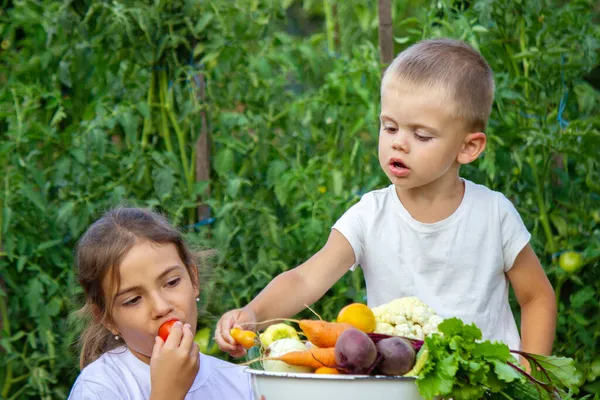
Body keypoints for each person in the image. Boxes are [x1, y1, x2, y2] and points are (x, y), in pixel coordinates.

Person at [215, 38, 557, 360]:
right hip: (400, 383)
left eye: (421, 135)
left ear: (468, 147)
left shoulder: (493, 214)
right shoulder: (369, 216)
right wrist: (254, 313)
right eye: (389, 127)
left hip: (488, 387)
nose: (399, 143)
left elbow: (536, 296)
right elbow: (306, 279)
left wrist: (531, 370)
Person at [68, 207, 254, 400]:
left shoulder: (241, 383)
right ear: (107, 319)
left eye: (172, 282)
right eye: (133, 300)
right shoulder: (99, 388)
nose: (161, 307)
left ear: (193, 279)